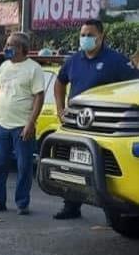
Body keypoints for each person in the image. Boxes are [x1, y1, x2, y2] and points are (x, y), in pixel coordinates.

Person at [52, 19, 139, 220]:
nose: (85, 39)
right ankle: (71, 205)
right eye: (83, 35)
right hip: (78, 122)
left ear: (101, 36)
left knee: (106, 169)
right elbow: (59, 82)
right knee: (73, 165)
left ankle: (114, 214)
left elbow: (134, 85)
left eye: (90, 35)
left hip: (106, 127)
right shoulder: (74, 60)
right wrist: (60, 109)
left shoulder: (116, 61)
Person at [0, 32, 45, 215]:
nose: (5, 48)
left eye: (9, 45)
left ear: (20, 48)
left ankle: (22, 203)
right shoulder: (4, 66)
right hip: (3, 125)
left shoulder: (33, 69)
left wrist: (30, 124)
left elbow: (38, 97)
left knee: (24, 167)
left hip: (22, 127)